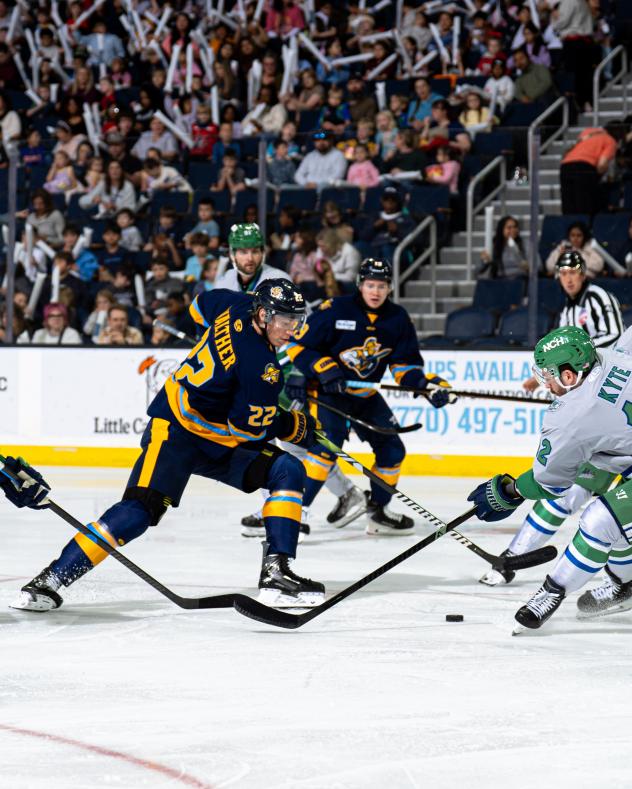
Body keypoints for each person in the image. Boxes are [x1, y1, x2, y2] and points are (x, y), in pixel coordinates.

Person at [12, 280, 325, 612]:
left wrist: (214, 344)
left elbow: (199, 305)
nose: (292, 329)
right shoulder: (262, 369)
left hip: (214, 436)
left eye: (296, 320)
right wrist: (292, 425)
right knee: (138, 511)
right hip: (175, 433)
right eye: (285, 321)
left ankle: (277, 575)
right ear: (262, 314)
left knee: (287, 470)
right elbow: (247, 431)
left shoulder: (236, 303)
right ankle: (49, 581)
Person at [467, 326, 632, 630]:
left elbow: (549, 483)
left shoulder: (571, 418)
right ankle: (625, 584)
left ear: (569, 376)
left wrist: (510, 490)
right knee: (615, 519)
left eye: (548, 375)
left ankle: (552, 591)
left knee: (600, 519)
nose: (545, 382)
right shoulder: (619, 353)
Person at [285, 258, 455, 534]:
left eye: (382, 286)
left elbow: (404, 366)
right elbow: (298, 345)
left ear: (390, 288)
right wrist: (323, 368)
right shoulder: (335, 309)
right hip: (329, 393)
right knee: (326, 447)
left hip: (365, 395)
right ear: (360, 285)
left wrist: (426, 385)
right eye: (370, 285)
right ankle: (293, 514)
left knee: (392, 451)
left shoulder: (398, 318)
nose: (376, 292)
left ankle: (377, 512)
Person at [485, 251, 624, 586]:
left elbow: (611, 345)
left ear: (583, 273)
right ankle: (511, 557)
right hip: (600, 420)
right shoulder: (566, 310)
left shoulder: (598, 297)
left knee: (595, 509)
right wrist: (552, 379)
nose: (568, 278)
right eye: (563, 273)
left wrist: (577, 386)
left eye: (573, 272)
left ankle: (619, 581)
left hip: (609, 412)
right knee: (567, 494)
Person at [559, 126, 618, 216]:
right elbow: (602, 164)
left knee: (568, 205)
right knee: (584, 205)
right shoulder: (610, 141)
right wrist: (598, 176)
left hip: (566, 165)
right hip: (584, 167)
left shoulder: (588, 131)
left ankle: (568, 223)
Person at [215, 223, 290, 293]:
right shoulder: (224, 282)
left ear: (262, 253)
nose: (250, 258)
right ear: (232, 255)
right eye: (243, 252)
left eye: (255, 252)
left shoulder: (280, 281)